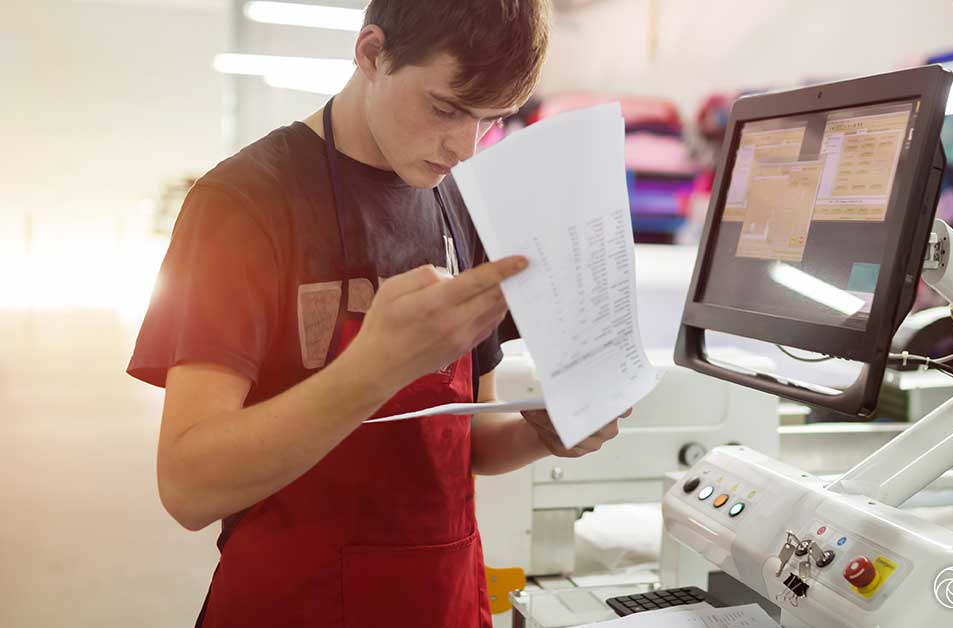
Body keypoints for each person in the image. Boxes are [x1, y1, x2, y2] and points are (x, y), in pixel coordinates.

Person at [127, 1, 626, 626]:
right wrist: (373, 369)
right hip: (294, 602)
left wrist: (542, 433)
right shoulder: (243, 203)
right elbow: (188, 486)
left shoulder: (457, 204)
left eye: (491, 120)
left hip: (438, 598)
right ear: (370, 53)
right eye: (445, 108)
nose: (465, 147)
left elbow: (459, 441)